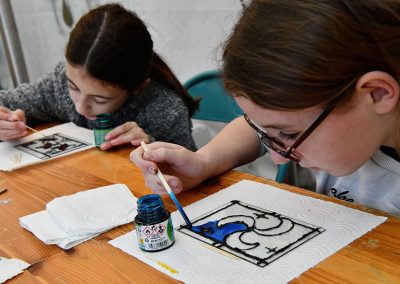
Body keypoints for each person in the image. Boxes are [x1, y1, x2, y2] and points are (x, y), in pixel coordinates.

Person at [131, 0, 400, 215]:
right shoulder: (361, 124)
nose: (278, 158)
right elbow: (257, 130)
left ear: (377, 94)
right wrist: (203, 162)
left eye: (290, 135)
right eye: (269, 133)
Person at [0, 3, 198, 151]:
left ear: (138, 88)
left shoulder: (165, 110)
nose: (80, 107)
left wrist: (151, 146)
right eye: (74, 87)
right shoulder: (60, 83)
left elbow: (191, 173)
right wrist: (5, 121)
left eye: (100, 99)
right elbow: (6, 101)